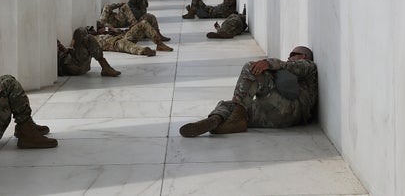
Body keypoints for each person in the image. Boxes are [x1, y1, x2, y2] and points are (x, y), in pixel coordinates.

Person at [179, 45, 317, 137]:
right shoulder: (289, 67)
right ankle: (215, 121)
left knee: (252, 68)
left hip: (292, 110)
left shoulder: (308, 66)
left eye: (293, 54)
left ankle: (233, 119)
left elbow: (292, 66)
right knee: (229, 105)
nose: (289, 57)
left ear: (303, 56)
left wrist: (268, 63)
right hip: (277, 116)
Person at [88, 18, 173, 56]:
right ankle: (143, 51)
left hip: (124, 36)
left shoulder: (108, 32)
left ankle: (159, 44)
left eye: (100, 27)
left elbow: (124, 31)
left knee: (143, 23)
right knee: (127, 45)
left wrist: (114, 31)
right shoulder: (95, 40)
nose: (99, 29)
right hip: (116, 44)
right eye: (91, 30)